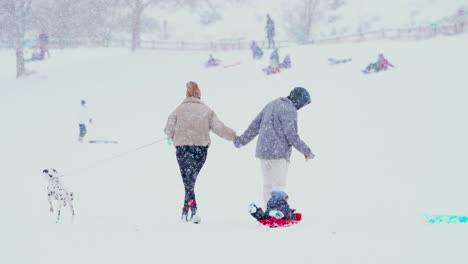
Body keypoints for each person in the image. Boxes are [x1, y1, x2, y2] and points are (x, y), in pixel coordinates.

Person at [164, 81, 238, 223]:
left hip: (182, 149)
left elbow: (168, 130)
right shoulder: (207, 111)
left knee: (188, 181)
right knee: (190, 181)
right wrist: (233, 136)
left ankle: (188, 210)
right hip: (200, 150)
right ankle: (189, 210)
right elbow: (219, 128)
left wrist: (174, 135)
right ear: (199, 95)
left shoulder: (178, 110)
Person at [234, 87, 315, 206]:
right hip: (279, 154)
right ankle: (276, 211)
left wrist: (241, 141)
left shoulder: (271, 104)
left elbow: (255, 126)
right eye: (303, 104)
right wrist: (306, 151)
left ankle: (269, 209)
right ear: (298, 100)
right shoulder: (290, 109)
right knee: (279, 185)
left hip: (263, 152)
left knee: (268, 184)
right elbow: (291, 135)